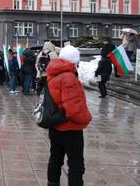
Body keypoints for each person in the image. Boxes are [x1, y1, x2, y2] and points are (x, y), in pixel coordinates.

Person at [46, 45, 92, 186]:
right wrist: (87, 118)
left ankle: (52, 183)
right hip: (70, 128)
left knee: (55, 158)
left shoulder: (54, 73)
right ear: (74, 60)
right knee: (76, 165)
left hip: (55, 125)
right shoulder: (68, 77)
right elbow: (73, 109)